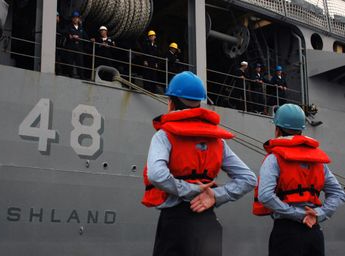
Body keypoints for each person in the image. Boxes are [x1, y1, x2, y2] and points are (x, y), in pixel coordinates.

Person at [141, 71, 257, 256]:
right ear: (199, 104)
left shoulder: (164, 135)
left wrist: (192, 190)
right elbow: (249, 179)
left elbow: (156, 175)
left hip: (175, 224)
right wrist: (216, 195)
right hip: (207, 222)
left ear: (171, 102)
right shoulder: (217, 141)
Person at [253, 104, 345, 256]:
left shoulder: (274, 158)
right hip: (314, 232)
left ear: (277, 129)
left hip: (286, 233)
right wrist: (319, 213)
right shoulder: (317, 161)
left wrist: (298, 214)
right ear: (301, 129)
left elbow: (265, 196)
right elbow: (338, 193)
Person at [65, 11, 87, 79]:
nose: (75, 19)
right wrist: (70, 36)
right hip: (71, 47)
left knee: (80, 63)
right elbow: (64, 32)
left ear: (78, 19)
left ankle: (81, 76)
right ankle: (70, 75)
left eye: (76, 18)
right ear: (72, 19)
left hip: (79, 48)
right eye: (74, 17)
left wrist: (91, 39)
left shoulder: (81, 28)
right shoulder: (69, 27)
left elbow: (86, 36)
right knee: (70, 62)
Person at [55, 11, 66, 76]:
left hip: (57, 45)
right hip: (55, 45)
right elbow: (59, 31)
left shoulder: (57, 25)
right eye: (57, 16)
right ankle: (58, 71)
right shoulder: (54, 25)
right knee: (57, 58)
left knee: (58, 58)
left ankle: (58, 71)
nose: (58, 18)